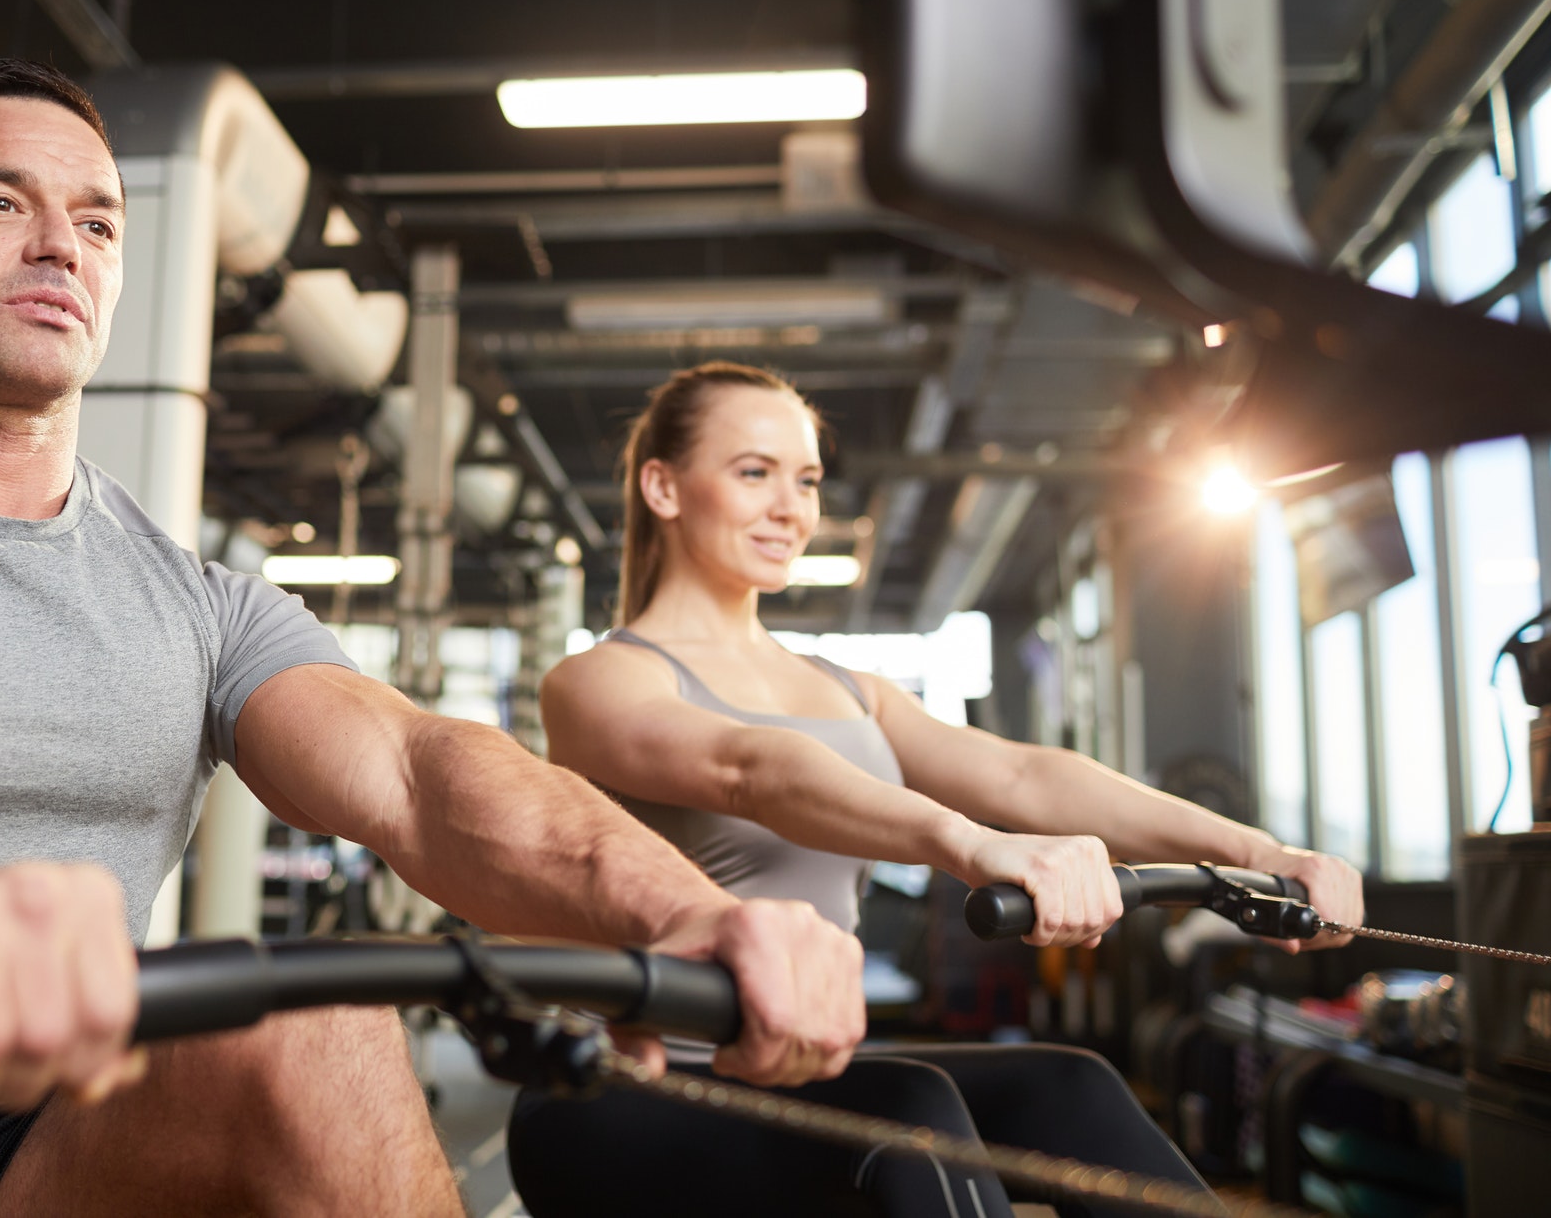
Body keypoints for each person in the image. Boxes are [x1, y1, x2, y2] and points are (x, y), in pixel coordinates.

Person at [0, 65, 867, 1218]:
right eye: (2, 204)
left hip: (52, 1130)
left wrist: (690, 915)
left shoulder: (200, 600)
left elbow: (417, 774)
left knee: (320, 1023)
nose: (61, 245)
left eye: (99, 221)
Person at [508, 361, 1366, 1217]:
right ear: (663, 486)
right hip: (617, 1090)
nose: (790, 508)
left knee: (1069, 1087)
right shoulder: (598, 682)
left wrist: (1259, 853)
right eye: (753, 472)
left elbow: (1023, 772)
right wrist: (975, 846)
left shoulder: (851, 689)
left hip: (800, 1077)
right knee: (911, 1113)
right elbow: (754, 770)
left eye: (805, 479)